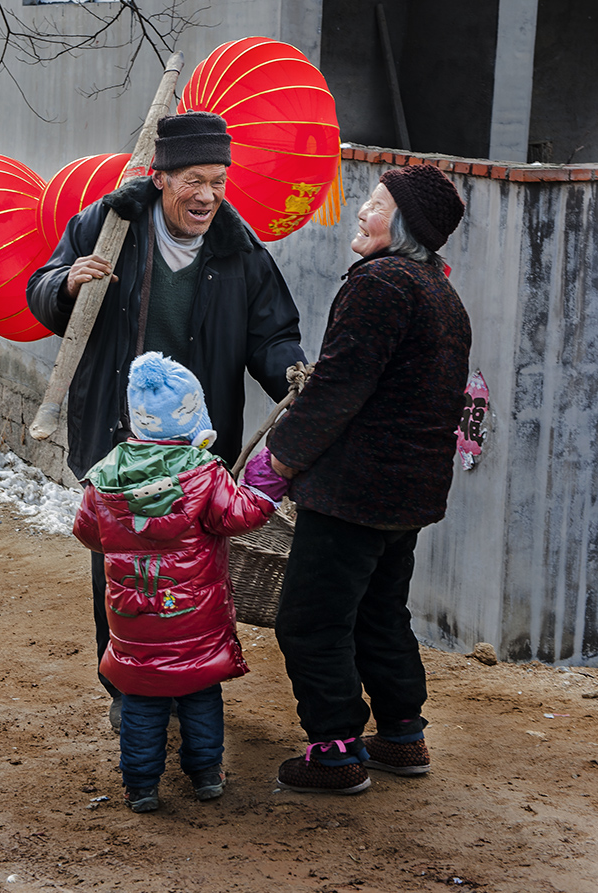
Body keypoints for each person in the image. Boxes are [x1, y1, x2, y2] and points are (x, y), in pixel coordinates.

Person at [27, 111, 306, 728]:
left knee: (196, 573)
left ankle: (189, 686)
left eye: (219, 180)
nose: (208, 195)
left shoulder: (239, 251)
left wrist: (294, 376)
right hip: (118, 439)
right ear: (160, 178)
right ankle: (128, 693)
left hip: (198, 453)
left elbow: (273, 335)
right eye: (194, 180)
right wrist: (68, 284)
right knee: (123, 571)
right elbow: (41, 290)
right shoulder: (109, 226)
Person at [267, 162, 471, 794]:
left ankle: (335, 753)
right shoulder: (439, 290)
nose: (361, 210)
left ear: (405, 224)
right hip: (405, 495)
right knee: (380, 611)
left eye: (378, 204)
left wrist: (280, 457)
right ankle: (402, 735)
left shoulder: (381, 285)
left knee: (311, 619)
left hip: (354, 494)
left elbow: (337, 385)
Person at [72, 352, 289, 812]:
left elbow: (88, 532)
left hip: (133, 616)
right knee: (200, 691)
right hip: (195, 615)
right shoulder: (204, 474)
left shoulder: (105, 474)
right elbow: (244, 514)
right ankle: (207, 774)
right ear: (194, 414)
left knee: (142, 698)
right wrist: (267, 479)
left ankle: (140, 786)